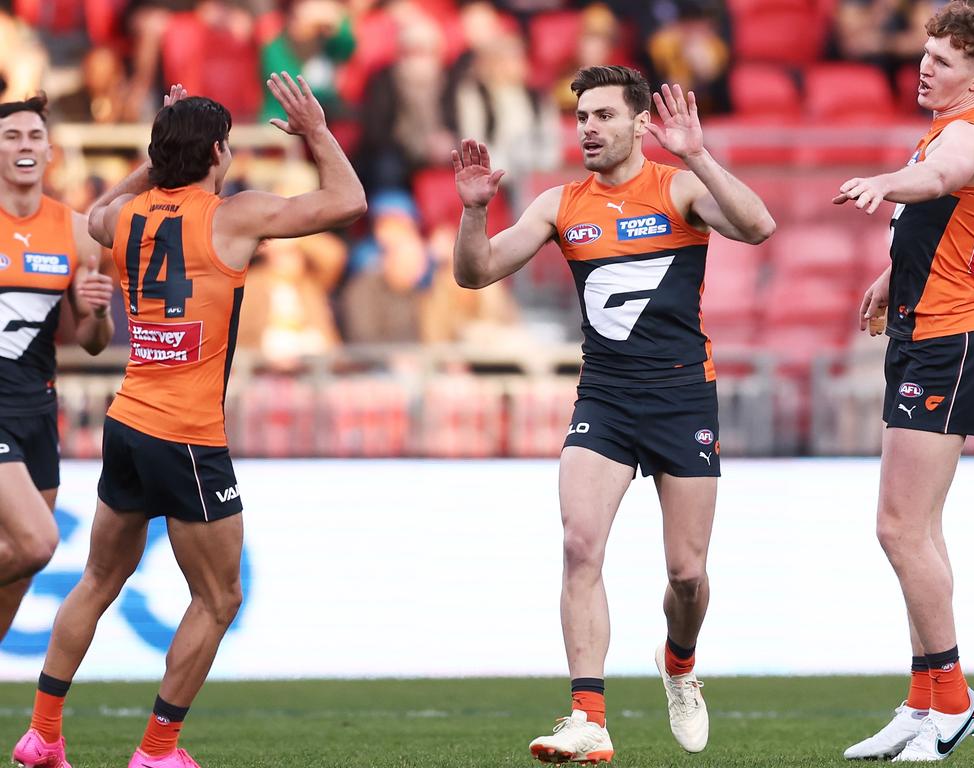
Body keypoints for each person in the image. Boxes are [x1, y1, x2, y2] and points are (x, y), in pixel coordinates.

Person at [11, 73, 365, 768]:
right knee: (219, 594)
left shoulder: (129, 218)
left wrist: (154, 155)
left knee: (98, 579)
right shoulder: (233, 216)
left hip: (129, 420)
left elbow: (94, 216)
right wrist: (318, 130)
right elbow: (349, 200)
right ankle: (157, 751)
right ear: (219, 155)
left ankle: (42, 733)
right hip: (189, 435)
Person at [451, 64, 775, 762]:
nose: (589, 128)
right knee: (578, 545)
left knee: (687, 575)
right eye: (581, 117)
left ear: (637, 123)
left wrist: (695, 153)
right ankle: (587, 716)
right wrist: (475, 209)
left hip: (684, 394)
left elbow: (758, 226)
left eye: (603, 115)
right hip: (605, 397)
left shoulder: (678, 186)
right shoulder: (559, 204)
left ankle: (680, 664)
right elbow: (475, 273)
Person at [835, 2, 974, 762]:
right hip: (925, 335)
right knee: (918, 530)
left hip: (950, 345)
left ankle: (955, 699)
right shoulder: (952, 129)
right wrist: (889, 276)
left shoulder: (968, 137)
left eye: (942, 60)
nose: (925, 66)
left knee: (900, 529)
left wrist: (887, 179)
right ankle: (922, 702)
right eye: (925, 54)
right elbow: (944, 223)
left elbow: (936, 181)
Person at [0, 94, 114, 644]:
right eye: (11, 136)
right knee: (38, 541)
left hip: (38, 410)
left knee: (20, 569)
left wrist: (95, 311)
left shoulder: (74, 231)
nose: (24, 146)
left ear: (50, 151)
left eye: (33, 137)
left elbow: (94, 342)